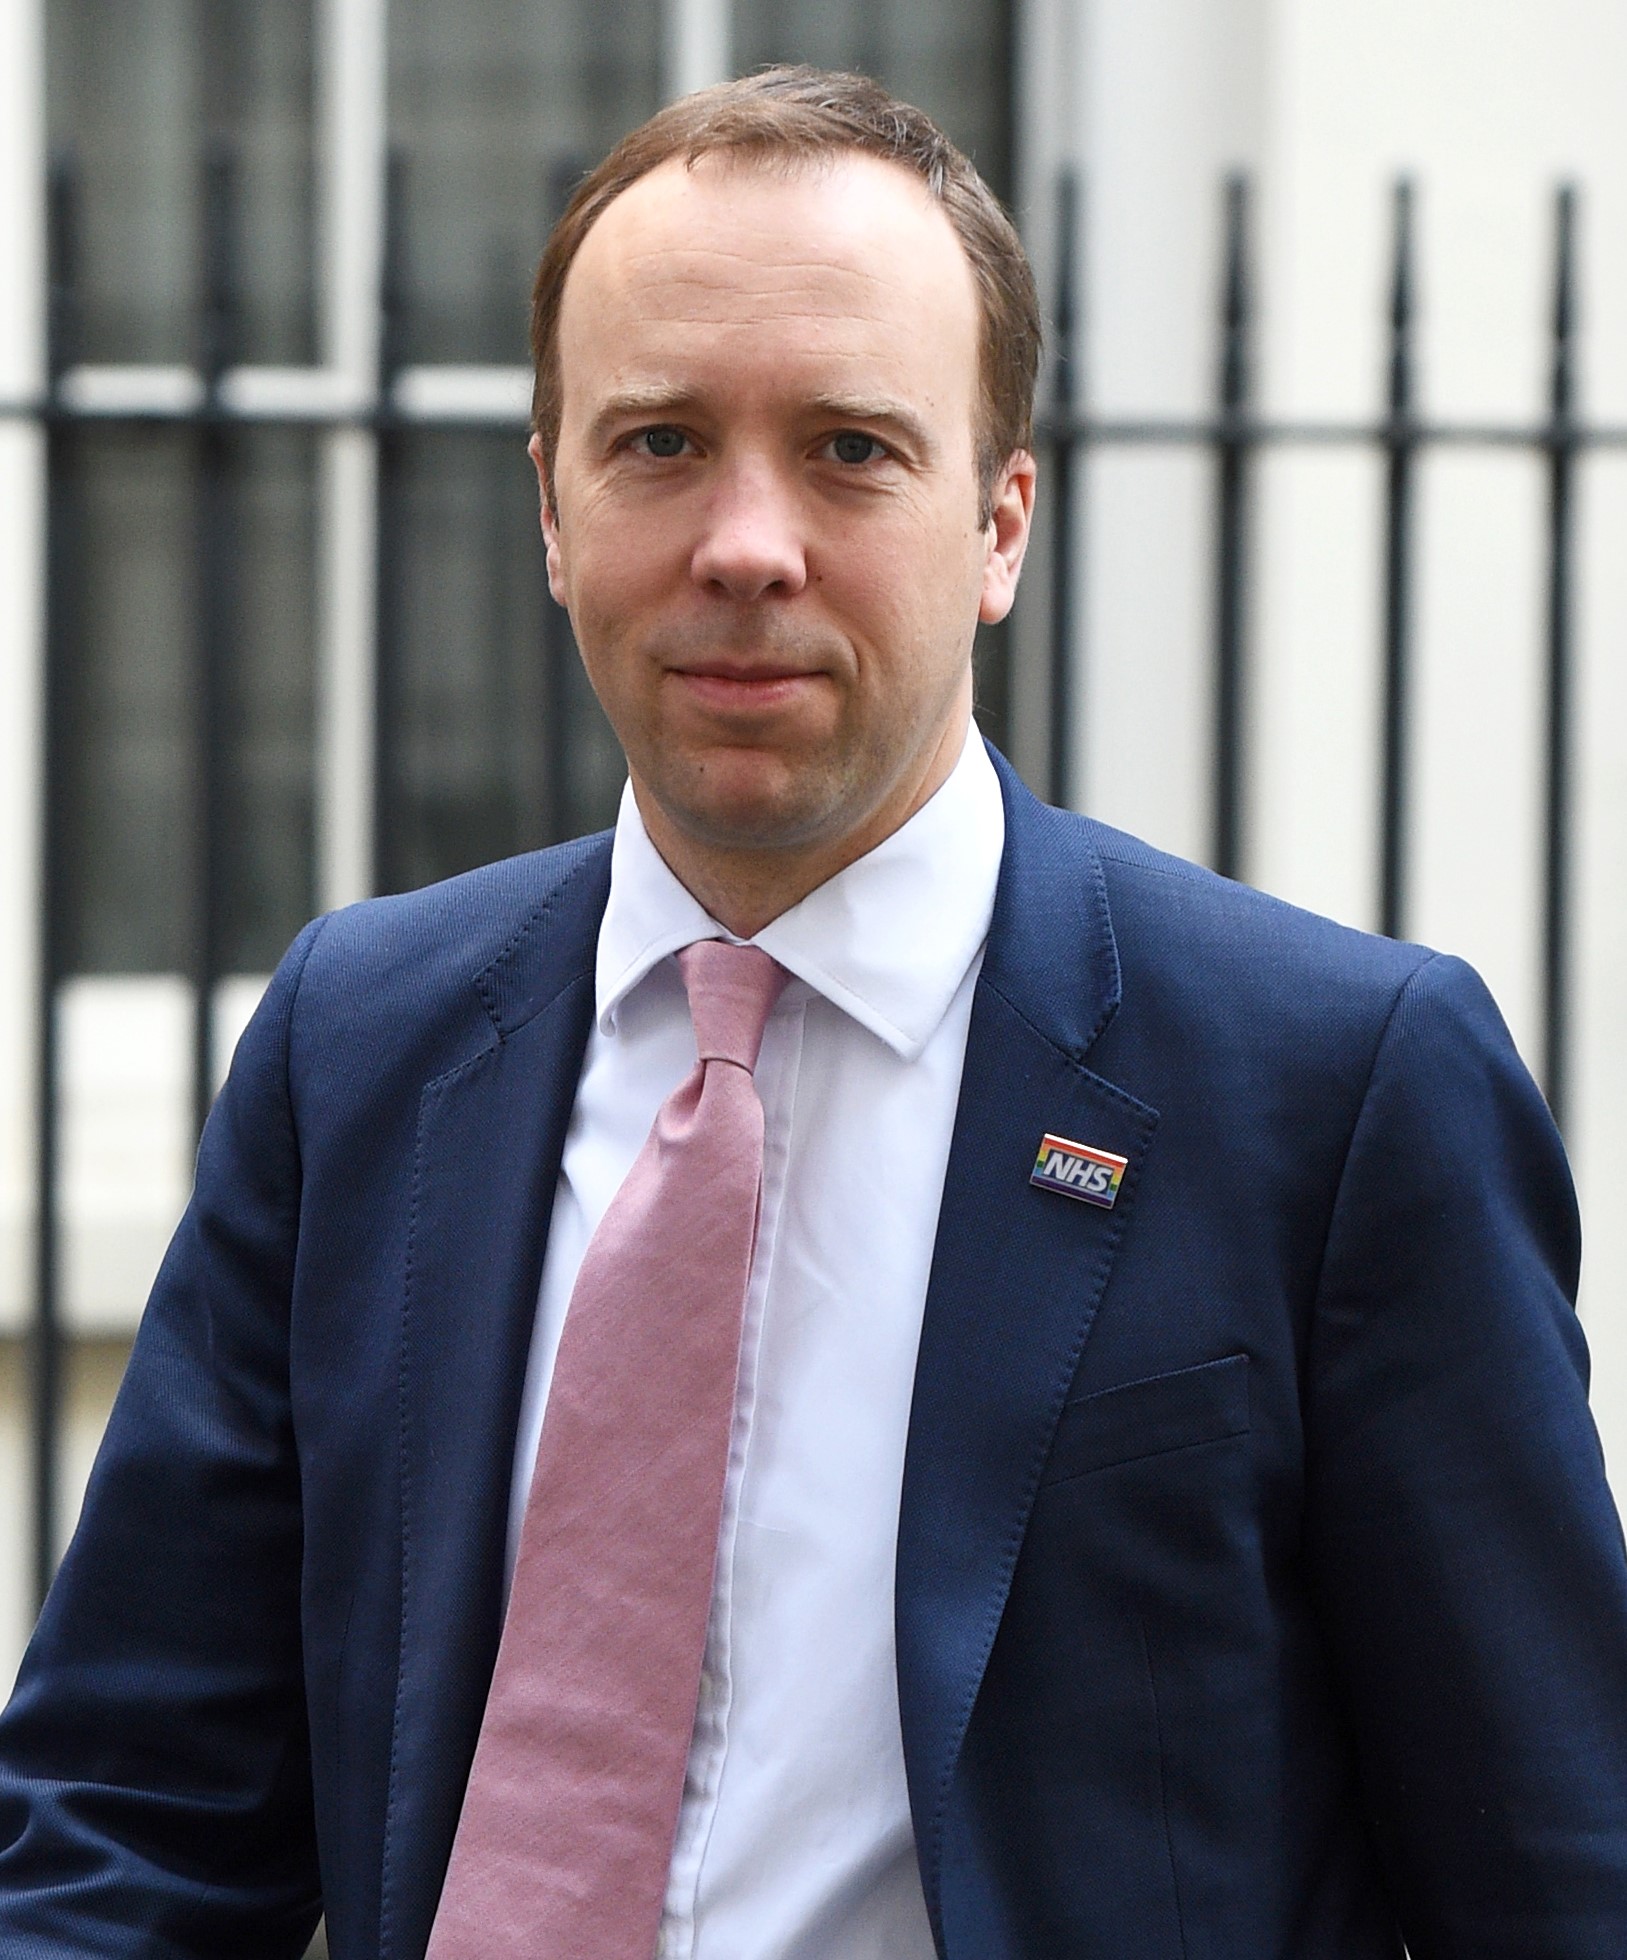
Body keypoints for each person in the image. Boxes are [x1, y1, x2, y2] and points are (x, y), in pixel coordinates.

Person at [2, 64, 1626, 1960]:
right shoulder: (362, 1046)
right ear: (549, 507)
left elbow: (1558, 1875)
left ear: (1003, 521)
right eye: (662, 443)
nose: (747, 543)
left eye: (852, 449)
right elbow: (127, 1819)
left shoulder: (1339, 1091)